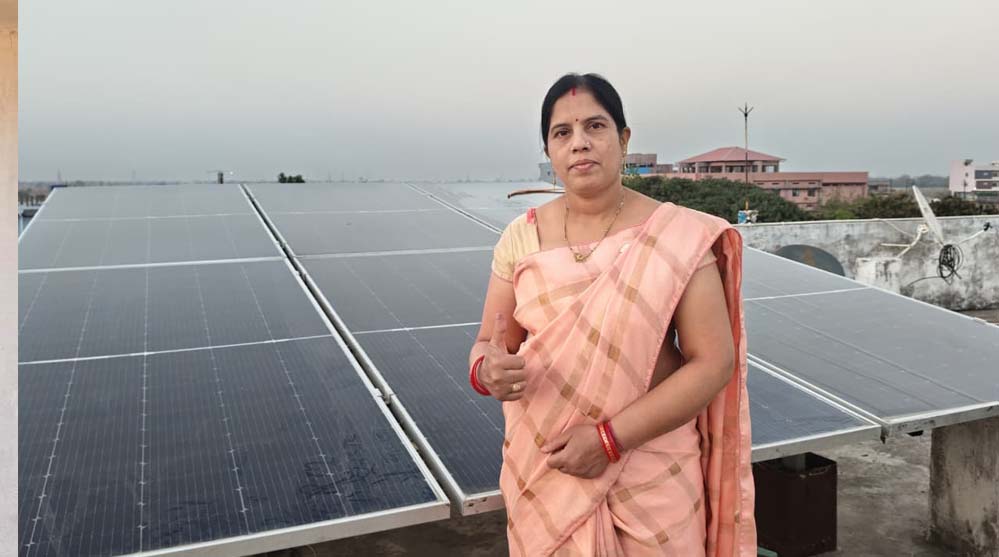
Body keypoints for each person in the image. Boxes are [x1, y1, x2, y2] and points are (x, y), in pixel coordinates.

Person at [466, 73, 756, 556]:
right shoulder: (521, 238)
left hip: (652, 477)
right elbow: (486, 346)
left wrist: (608, 440)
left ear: (623, 139)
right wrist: (487, 371)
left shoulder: (676, 236)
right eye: (562, 132)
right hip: (546, 470)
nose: (579, 143)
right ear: (549, 151)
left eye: (595, 126)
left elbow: (713, 361)